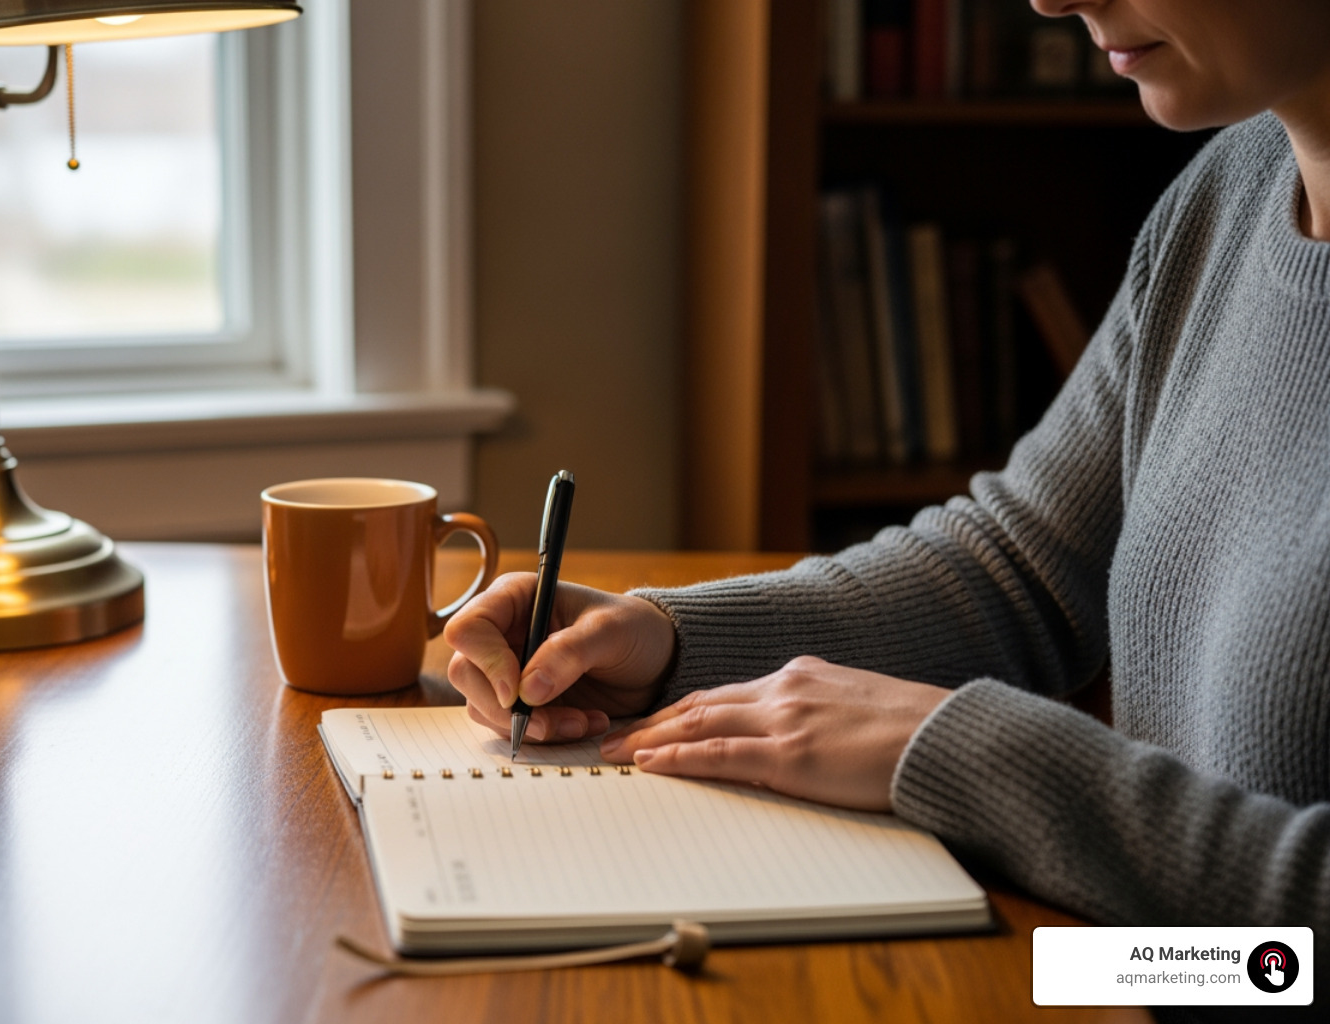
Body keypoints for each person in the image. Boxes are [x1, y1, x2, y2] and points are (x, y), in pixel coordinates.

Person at [446, 0, 1330, 933]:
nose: (1049, 0)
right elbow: (1019, 571)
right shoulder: (1227, 193)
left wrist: (968, 757)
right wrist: (669, 646)